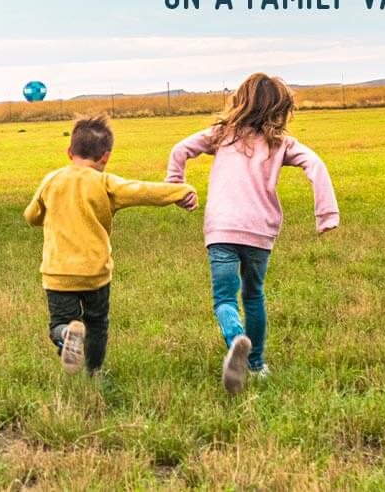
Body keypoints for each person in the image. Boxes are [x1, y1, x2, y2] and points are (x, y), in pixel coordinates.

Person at [167, 73, 338, 395]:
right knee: (254, 294)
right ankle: (256, 364)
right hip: (260, 231)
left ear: (240, 102)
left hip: (222, 228)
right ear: (280, 107)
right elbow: (315, 165)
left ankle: (235, 339)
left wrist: (177, 187)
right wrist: (326, 214)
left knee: (224, 297)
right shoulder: (281, 143)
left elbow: (180, 150)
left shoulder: (221, 134)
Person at [24, 114, 197, 376]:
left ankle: (67, 333)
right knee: (97, 324)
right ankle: (94, 372)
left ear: (70, 152)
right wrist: (180, 191)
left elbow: (31, 216)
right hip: (96, 273)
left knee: (59, 323)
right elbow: (142, 191)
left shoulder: (52, 180)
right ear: (105, 156)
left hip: (58, 273)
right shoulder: (105, 183)